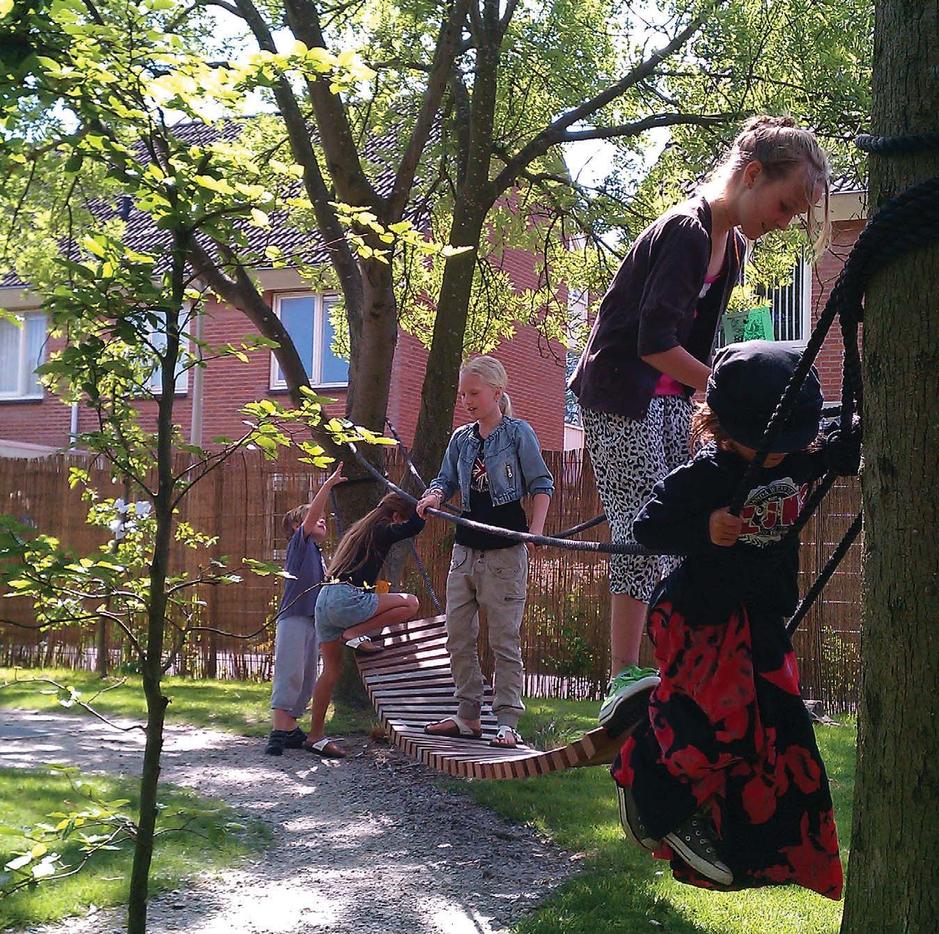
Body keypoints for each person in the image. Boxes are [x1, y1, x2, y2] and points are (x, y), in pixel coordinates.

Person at [567, 115, 832, 732]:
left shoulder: (732, 245)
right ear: (752, 174)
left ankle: (705, 665)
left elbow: (703, 342)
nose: (785, 221)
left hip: (667, 401)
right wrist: (734, 394)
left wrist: (724, 402)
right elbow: (655, 344)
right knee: (647, 528)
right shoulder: (686, 233)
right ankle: (626, 675)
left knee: (691, 513)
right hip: (620, 398)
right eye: (785, 204)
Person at [612, 340, 857, 899]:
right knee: (720, 728)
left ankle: (756, 849)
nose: (778, 456)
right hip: (700, 617)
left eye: (789, 443)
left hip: (761, 616)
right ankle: (645, 776)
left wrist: (841, 449)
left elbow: (833, 446)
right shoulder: (707, 474)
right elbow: (648, 528)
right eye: (764, 443)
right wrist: (707, 527)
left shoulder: (793, 455)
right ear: (721, 427)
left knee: (777, 737)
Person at [416, 356, 554, 748]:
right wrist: (434, 495)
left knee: (503, 640)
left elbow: (541, 484)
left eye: (473, 393)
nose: (467, 400)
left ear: (497, 391)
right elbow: (444, 479)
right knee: (457, 635)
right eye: (463, 394)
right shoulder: (461, 439)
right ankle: (467, 716)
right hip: (465, 550)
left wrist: (537, 532)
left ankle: (507, 721)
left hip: (504, 554)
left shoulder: (517, 434)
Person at [304, 492, 425, 758]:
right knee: (411, 603)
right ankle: (355, 633)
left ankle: (315, 736)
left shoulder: (359, 530)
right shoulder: (382, 528)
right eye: (399, 520)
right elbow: (415, 525)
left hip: (325, 600)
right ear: (395, 516)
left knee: (331, 670)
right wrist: (428, 505)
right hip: (346, 599)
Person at [265, 464, 346, 757]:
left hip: (312, 621)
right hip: (293, 618)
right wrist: (329, 485)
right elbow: (314, 512)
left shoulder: (317, 555)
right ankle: (277, 730)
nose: (321, 519)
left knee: (309, 676)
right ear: (299, 528)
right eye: (313, 518)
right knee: (290, 672)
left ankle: (289, 728)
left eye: (324, 518)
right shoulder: (298, 546)